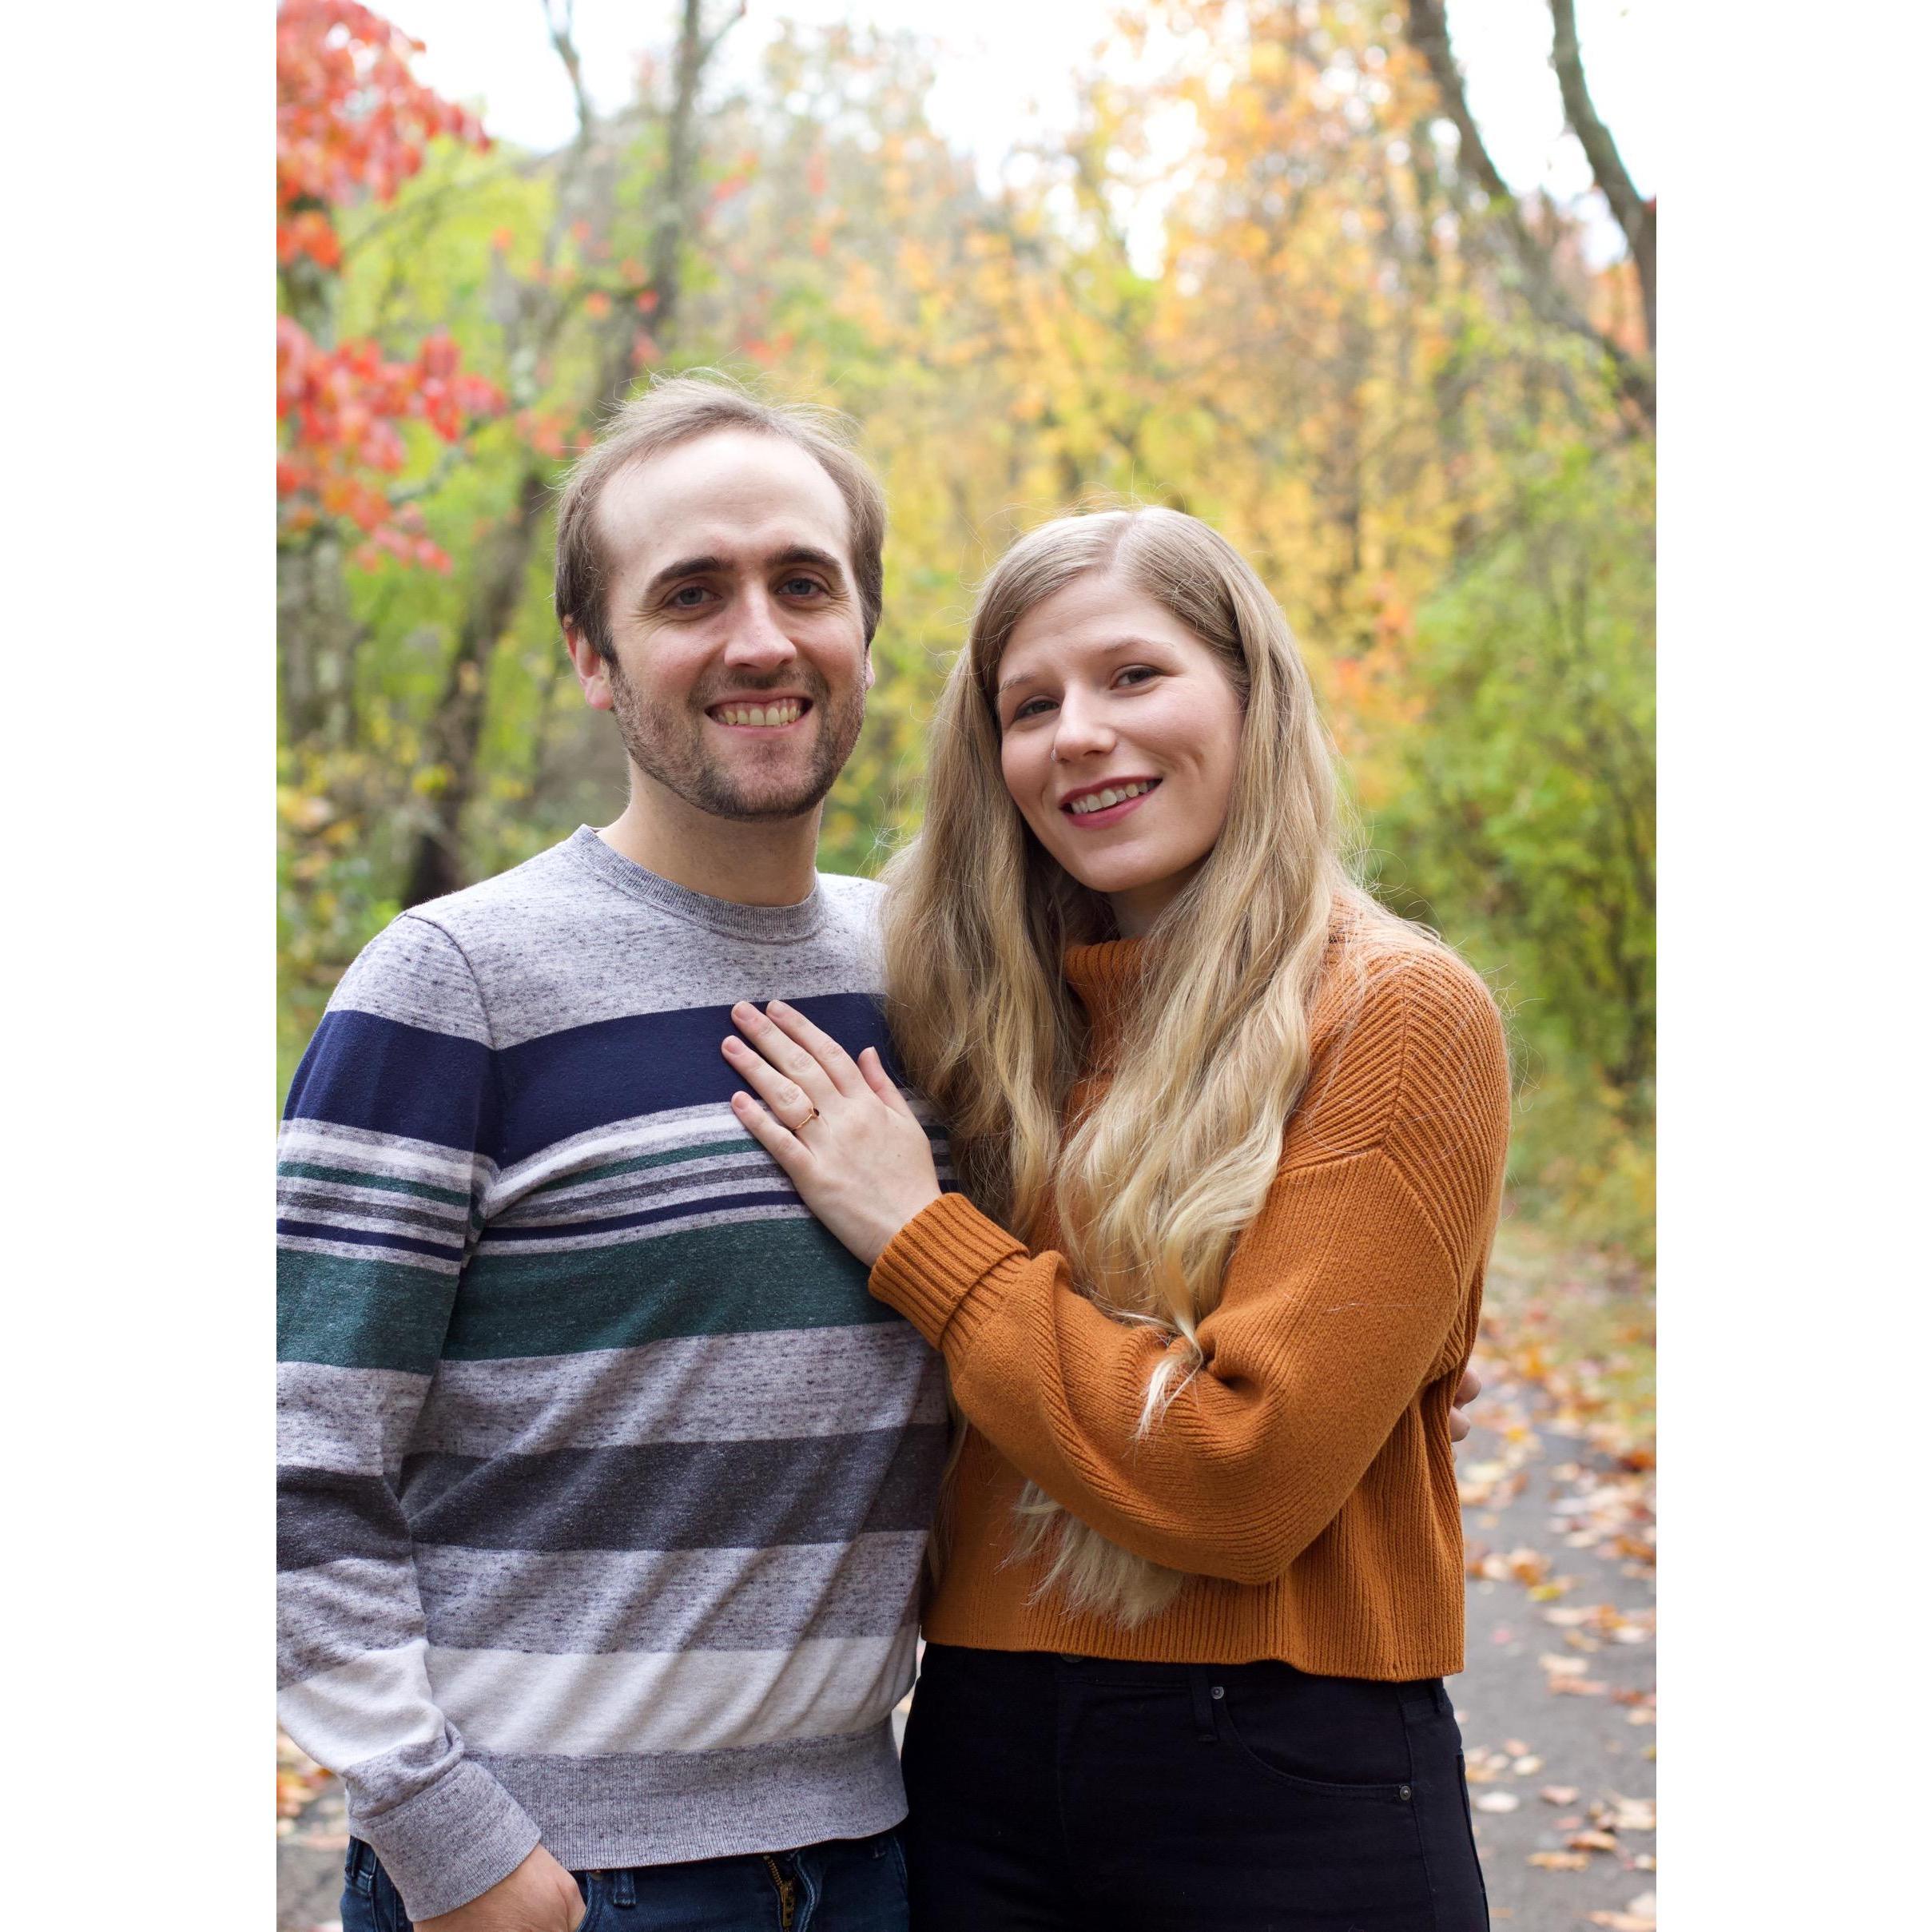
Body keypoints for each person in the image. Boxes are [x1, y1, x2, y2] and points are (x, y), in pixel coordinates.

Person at [722, 504, 1509, 1930]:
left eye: (1133, 675)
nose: (1078, 734)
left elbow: (1240, 1479)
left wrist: (924, 1241)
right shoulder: (981, 1028)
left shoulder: (1393, 1014)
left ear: (1251, 695)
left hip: (1286, 1773)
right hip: (976, 1750)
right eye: (1030, 706)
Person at [277, 376, 944, 1932]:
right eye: (690, 594)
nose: (761, 639)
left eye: (804, 583)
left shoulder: (931, 974)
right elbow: (291, 1456)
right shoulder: (455, 984)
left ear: (865, 625)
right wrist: (455, 1846)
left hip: (874, 1851)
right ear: (592, 655)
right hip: (562, 1877)